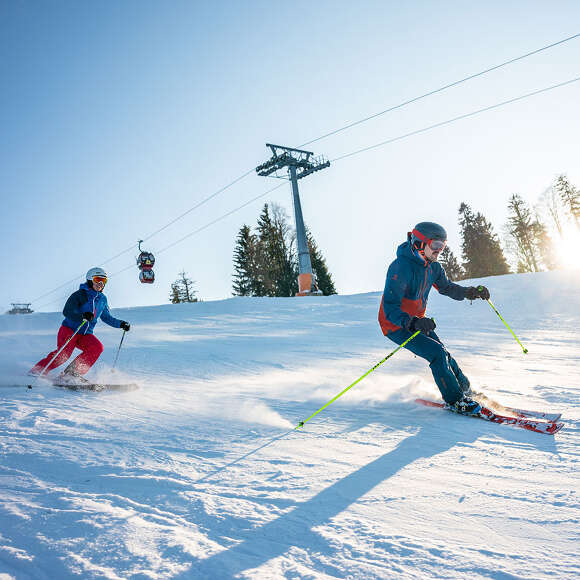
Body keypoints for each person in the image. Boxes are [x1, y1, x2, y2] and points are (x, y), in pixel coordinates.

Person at [378, 222, 490, 414]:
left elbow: (447, 288)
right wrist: (413, 322)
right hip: (395, 324)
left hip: (417, 322)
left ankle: (465, 390)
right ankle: (455, 401)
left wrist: (471, 292)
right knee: (436, 353)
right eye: (436, 245)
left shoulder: (434, 268)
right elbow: (390, 308)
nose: (440, 251)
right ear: (420, 243)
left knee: (444, 353)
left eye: (443, 246)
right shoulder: (400, 267)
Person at [30, 267, 130, 383]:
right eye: (98, 279)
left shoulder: (102, 299)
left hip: (85, 334)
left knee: (96, 347)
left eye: (104, 281)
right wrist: (82, 315)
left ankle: (71, 374)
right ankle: (37, 371)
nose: (101, 283)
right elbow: (67, 311)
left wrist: (121, 324)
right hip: (70, 330)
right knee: (64, 354)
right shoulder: (80, 295)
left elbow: (106, 317)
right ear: (89, 279)